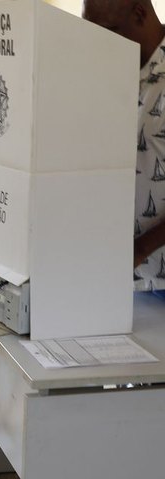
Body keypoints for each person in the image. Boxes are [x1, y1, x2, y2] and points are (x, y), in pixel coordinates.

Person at [83, 0, 165, 290]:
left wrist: (141, 249)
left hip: (156, 271)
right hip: (121, 275)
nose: (98, 44)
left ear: (140, 14)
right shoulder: (114, 71)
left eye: (109, 31)